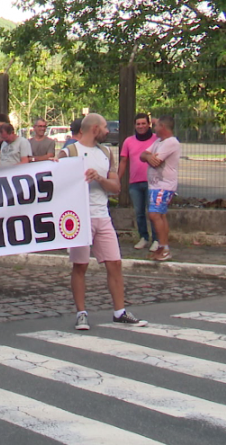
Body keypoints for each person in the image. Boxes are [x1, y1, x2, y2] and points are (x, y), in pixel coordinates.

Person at [57, 113, 148, 330]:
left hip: (102, 215)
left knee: (114, 263)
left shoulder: (106, 152)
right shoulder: (70, 151)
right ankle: (81, 313)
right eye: (106, 127)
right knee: (80, 265)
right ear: (95, 129)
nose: (109, 131)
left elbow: (116, 187)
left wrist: (99, 178)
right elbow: (56, 182)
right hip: (79, 218)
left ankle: (120, 311)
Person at [141, 115, 181, 262]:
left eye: (156, 125)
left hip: (164, 185)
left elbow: (156, 161)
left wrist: (149, 158)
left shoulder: (171, 143)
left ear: (163, 127)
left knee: (154, 214)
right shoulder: (158, 142)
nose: (154, 128)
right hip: (155, 184)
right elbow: (143, 155)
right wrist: (147, 156)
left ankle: (163, 248)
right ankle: (162, 248)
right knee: (160, 215)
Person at [118, 113, 159, 252]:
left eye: (143, 123)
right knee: (139, 212)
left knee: (153, 211)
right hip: (134, 183)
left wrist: (157, 121)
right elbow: (123, 161)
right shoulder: (128, 141)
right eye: (138, 124)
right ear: (135, 126)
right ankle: (144, 238)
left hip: (153, 182)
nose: (141, 126)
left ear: (149, 125)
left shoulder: (156, 139)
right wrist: (117, 179)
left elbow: (168, 132)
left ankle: (157, 240)